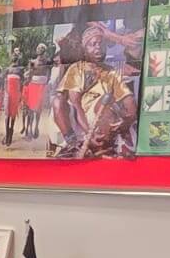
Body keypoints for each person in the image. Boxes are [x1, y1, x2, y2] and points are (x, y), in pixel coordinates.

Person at [53, 23, 142, 158]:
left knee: (106, 102)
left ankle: (103, 145)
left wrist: (128, 120)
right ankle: (72, 144)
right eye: (92, 44)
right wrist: (90, 133)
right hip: (81, 118)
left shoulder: (112, 73)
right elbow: (77, 106)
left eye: (101, 44)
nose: (98, 48)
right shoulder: (77, 69)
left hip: (103, 114)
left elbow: (128, 101)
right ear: (84, 49)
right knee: (58, 101)